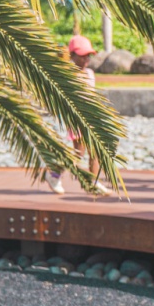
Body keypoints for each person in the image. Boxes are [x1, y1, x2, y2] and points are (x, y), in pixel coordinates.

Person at [46, 35, 110, 196]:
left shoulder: (89, 73)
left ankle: (94, 182)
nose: (86, 59)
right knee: (78, 154)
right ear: (72, 55)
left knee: (96, 151)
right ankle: (54, 174)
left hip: (90, 118)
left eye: (88, 56)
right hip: (76, 119)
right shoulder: (67, 75)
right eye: (82, 56)